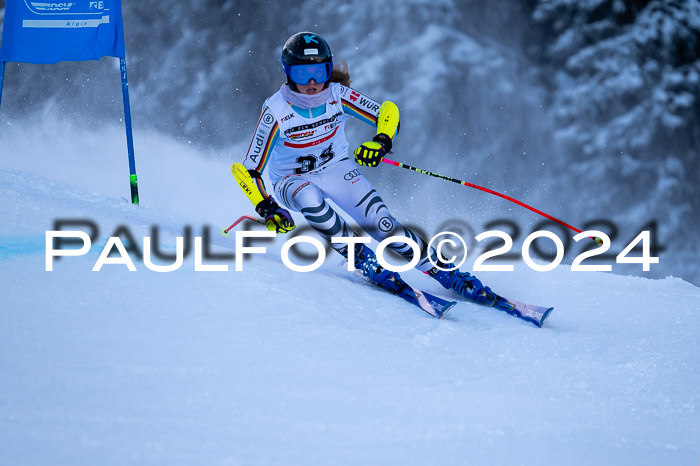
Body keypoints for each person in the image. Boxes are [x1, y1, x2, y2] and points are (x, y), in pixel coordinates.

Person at [237, 31, 496, 307]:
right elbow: (247, 170)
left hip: (336, 169)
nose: (312, 83)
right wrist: (267, 206)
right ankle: (361, 258)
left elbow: (387, 111)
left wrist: (381, 141)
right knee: (309, 198)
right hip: (292, 180)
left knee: (385, 227)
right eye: (303, 75)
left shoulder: (337, 95)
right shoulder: (275, 111)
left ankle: (446, 272)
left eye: (319, 72)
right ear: (289, 74)